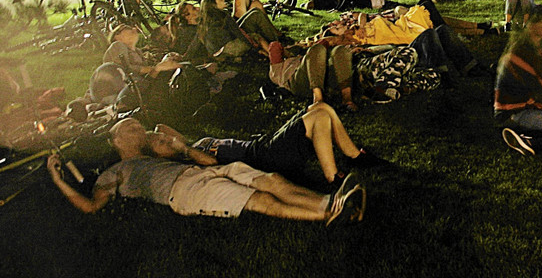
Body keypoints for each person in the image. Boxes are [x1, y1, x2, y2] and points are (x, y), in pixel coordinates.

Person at [46, 117, 364, 224]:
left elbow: (210, 162)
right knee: (257, 200)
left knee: (271, 180)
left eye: (138, 126)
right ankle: (327, 214)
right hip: (184, 193)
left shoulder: (156, 152)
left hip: (198, 174)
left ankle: (329, 201)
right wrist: (58, 180)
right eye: (130, 129)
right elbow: (90, 206)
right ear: (115, 140)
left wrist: (181, 148)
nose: (138, 130)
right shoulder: (113, 172)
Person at [151, 102, 387, 186]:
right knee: (319, 116)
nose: (167, 139)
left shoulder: (196, 143)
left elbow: (163, 127)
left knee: (321, 108)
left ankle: (354, 156)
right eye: (162, 143)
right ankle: (332, 177)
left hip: (264, 145)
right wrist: (181, 149)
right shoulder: (189, 159)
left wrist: (157, 134)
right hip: (266, 158)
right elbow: (212, 161)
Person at [268, 41, 357, 110]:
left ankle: (347, 98)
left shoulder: (303, 56)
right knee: (317, 49)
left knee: (340, 50)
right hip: (298, 83)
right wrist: (287, 53)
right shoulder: (277, 69)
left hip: (323, 78)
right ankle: (318, 100)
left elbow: (324, 43)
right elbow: (274, 46)